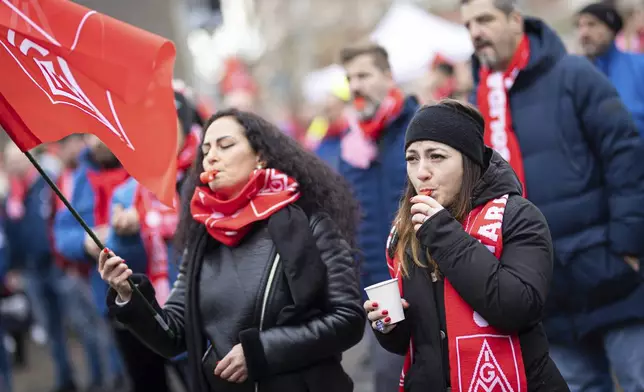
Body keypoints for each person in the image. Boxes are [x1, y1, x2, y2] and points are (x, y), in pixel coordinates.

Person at [99, 109, 365, 392]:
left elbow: (347, 319)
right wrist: (129, 296)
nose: (211, 156)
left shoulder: (308, 220)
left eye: (225, 145)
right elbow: (173, 335)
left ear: (260, 156)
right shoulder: (203, 234)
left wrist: (260, 352)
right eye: (206, 149)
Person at [461, 0, 644, 390]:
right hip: (544, 292)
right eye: (468, 25)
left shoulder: (574, 75)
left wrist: (628, 246)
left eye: (485, 19)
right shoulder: (478, 103)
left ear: (515, 20)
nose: (476, 32)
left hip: (611, 273)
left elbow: (625, 155)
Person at [365, 100, 569, 391]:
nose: (421, 172)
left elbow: (517, 307)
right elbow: (419, 345)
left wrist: (444, 234)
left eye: (436, 156)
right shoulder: (404, 231)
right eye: (412, 158)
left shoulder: (517, 215)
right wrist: (388, 325)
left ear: (468, 160)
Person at [103, 90, 201, 392]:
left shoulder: (208, 177)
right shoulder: (126, 194)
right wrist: (126, 235)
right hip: (156, 315)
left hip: (207, 315)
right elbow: (127, 267)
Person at [338, 43, 419, 392]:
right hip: (380, 289)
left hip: (428, 278)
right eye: (349, 78)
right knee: (389, 380)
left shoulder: (420, 126)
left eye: (364, 75)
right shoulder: (350, 145)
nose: (355, 86)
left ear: (388, 77)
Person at [575, 2, 644, 136]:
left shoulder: (639, 66)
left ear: (611, 29)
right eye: (579, 26)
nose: (584, 33)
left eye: (592, 24)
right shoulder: (576, 76)